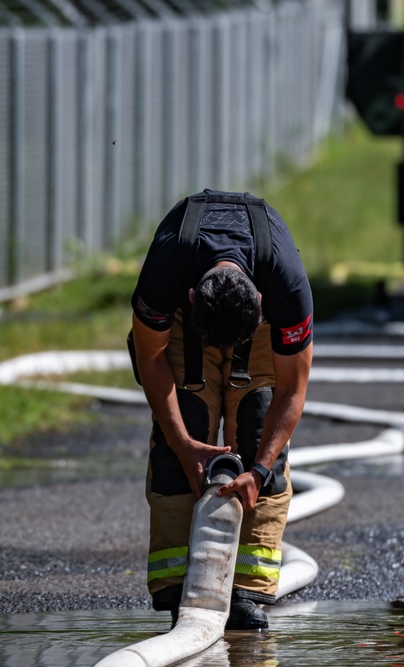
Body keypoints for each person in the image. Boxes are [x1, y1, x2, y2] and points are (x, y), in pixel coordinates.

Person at [129, 189, 313, 629]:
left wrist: (261, 468)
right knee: (183, 426)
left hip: (257, 322)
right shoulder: (165, 272)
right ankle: (177, 589)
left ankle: (247, 590)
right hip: (183, 326)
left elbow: (291, 388)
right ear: (191, 296)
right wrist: (184, 443)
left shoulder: (286, 286)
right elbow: (150, 358)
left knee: (258, 429)